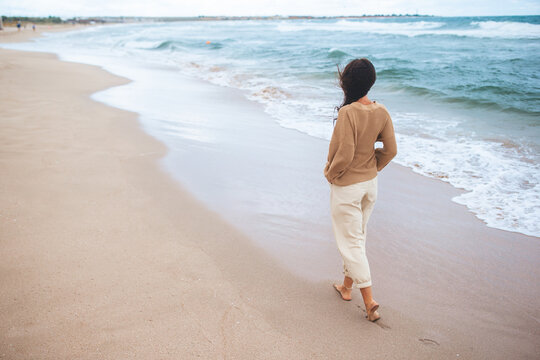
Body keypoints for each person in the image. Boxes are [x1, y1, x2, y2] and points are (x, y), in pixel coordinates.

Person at [324, 58, 397, 322]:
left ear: (346, 83)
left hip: (348, 186)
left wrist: (330, 173)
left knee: (351, 241)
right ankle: (346, 287)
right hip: (370, 185)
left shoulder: (348, 113)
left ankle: (369, 301)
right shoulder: (382, 111)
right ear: (371, 82)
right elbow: (390, 151)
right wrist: (372, 168)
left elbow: (344, 155)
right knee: (357, 237)